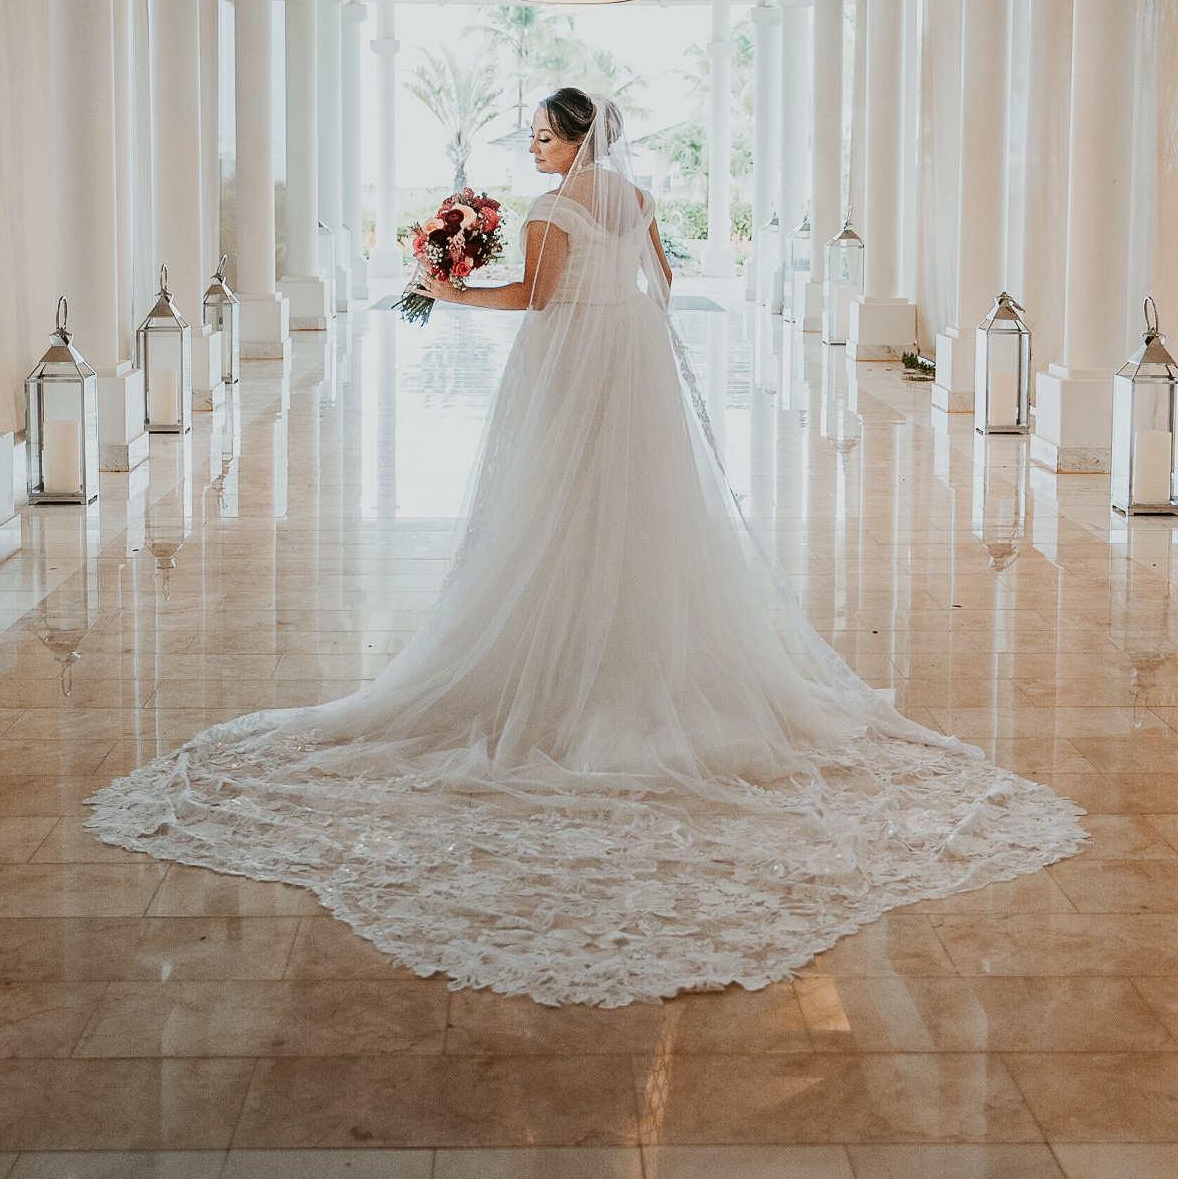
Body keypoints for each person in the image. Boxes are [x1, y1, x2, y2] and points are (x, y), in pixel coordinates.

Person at [89, 88, 1085, 1008]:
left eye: (541, 134)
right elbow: (664, 277)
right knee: (644, 514)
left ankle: (568, 656)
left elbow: (536, 300)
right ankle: (637, 648)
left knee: (553, 511)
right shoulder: (635, 193)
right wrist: (603, 299)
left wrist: (445, 292)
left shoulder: (550, 211)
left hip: (571, 369)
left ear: (572, 138)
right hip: (637, 365)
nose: (531, 146)